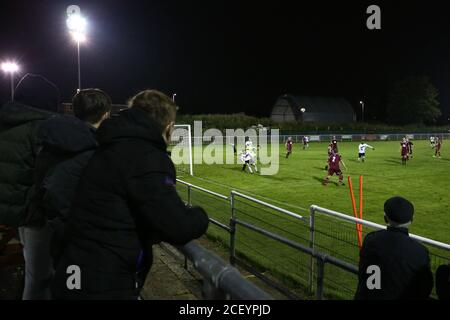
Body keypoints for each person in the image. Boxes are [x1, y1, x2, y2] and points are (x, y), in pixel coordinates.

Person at [51, 89, 209, 300]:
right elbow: (177, 226)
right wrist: (200, 216)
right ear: (169, 127)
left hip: (76, 265)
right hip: (102, 277)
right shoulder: (146, 156)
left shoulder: (110, 142)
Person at [27, 89, 112, 296]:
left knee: (43, 282)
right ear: (105, 114)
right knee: (75, 286)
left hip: (44, 224)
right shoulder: (95, 148)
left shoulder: (49, 138)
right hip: (75, 233)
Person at [0, 74, 59, 300]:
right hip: (35, 213)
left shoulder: (8, 122)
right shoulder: (40, 128)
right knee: (40, 276)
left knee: (34, 269)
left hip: (14, 210)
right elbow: (51, 177)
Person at [355, 196, 433, 300]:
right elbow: (425, 288)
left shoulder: (371, 239)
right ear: (412, 219)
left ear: (385, 218)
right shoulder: (420, 252)